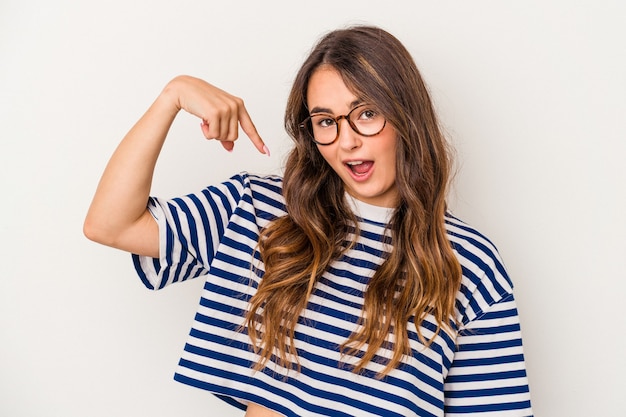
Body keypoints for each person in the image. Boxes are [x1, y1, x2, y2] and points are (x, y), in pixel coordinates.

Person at [84, 25, 533, 417]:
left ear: (406, 116)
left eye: (367, 114)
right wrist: (172, 96)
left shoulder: (468, 263)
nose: (348, 141)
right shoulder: (259, 210)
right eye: (326, 121)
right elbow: (111, 224)